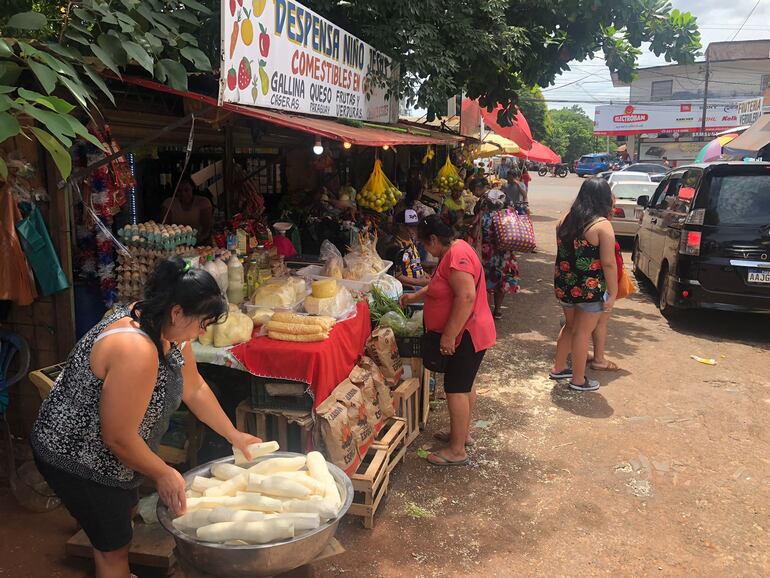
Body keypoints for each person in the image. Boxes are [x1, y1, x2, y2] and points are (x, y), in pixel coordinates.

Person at [31, 256, 261, 578]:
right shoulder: (135, 349)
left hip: (114, 451)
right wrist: (163, 472)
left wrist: (233, 434)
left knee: (123, 512)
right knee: (114, 548)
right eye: (201, 323)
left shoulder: (167, 326)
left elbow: (194, 389)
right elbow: (118, 437)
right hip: (75, 454)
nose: (200, 332)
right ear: (178, 311)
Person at [400, 216, 496, 466]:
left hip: (467, 334)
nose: (425, 251)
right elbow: (439, 287)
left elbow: (465, 296)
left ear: (433, 239)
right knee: (464, 385)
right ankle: (461, 435)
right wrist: (413, 298)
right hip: (469, 332)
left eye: (424, 244)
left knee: (455, 389)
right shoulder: (457, 250)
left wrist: (449, 334)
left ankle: (457, 451)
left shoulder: (456, 255)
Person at [550, 178, 618, 391]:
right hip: (589, 288)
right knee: (582, 332)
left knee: (569, 327)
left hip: (564, 284)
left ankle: (559, 369)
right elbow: (608, 263)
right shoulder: (601, 225)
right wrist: (613, 293)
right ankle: (579, 380)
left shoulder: (564, 220)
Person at [476, 189, 520, 319]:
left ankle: (486, 311)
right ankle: (498, 310)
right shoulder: (507, 216)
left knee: (487, 284)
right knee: (501, 283)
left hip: (487, 254)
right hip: (505, 255)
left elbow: (475, 234)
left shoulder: (483, 217)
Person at [385, 209, 430, 288]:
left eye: (416, 226)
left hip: (420, 283)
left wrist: (424, 274)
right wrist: (418, 282)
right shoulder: (395, 247)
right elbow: (395, 275)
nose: (415, 229)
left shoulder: (411, 240)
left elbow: (414, 264)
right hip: (409, 289)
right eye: (411, 226)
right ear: (401, 226)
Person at [161, 177, 214, 245]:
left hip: (199, 242)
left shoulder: (203, 203)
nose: (183, 194)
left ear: (192, 188)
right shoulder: (169, 203)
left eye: (186, 190)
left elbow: (207, 228)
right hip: (175, 243)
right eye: (179, 191)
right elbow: (165, 227)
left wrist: (197, 241)